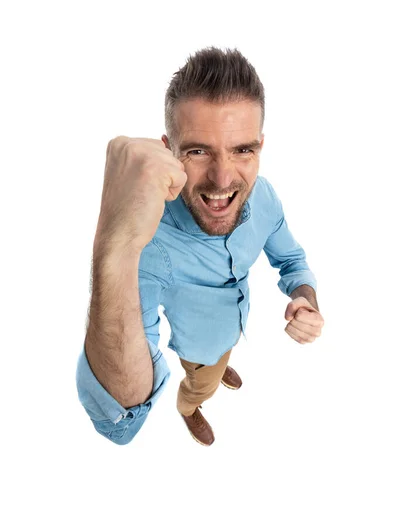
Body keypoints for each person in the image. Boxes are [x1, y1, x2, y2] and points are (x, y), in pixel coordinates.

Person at [76, 46, 325, 446]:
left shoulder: (264, 196)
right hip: (197, 350)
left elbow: (292, 261)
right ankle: (190, 404)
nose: (223, 178)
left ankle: (221, 364)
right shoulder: (148, 246)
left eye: (242, 149)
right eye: (197, 151)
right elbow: (120, 422)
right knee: (202, 379)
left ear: (259, 146)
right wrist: (112, 246)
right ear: (168, 149)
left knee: (221, 355)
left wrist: (305, 297)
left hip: (232, 330)